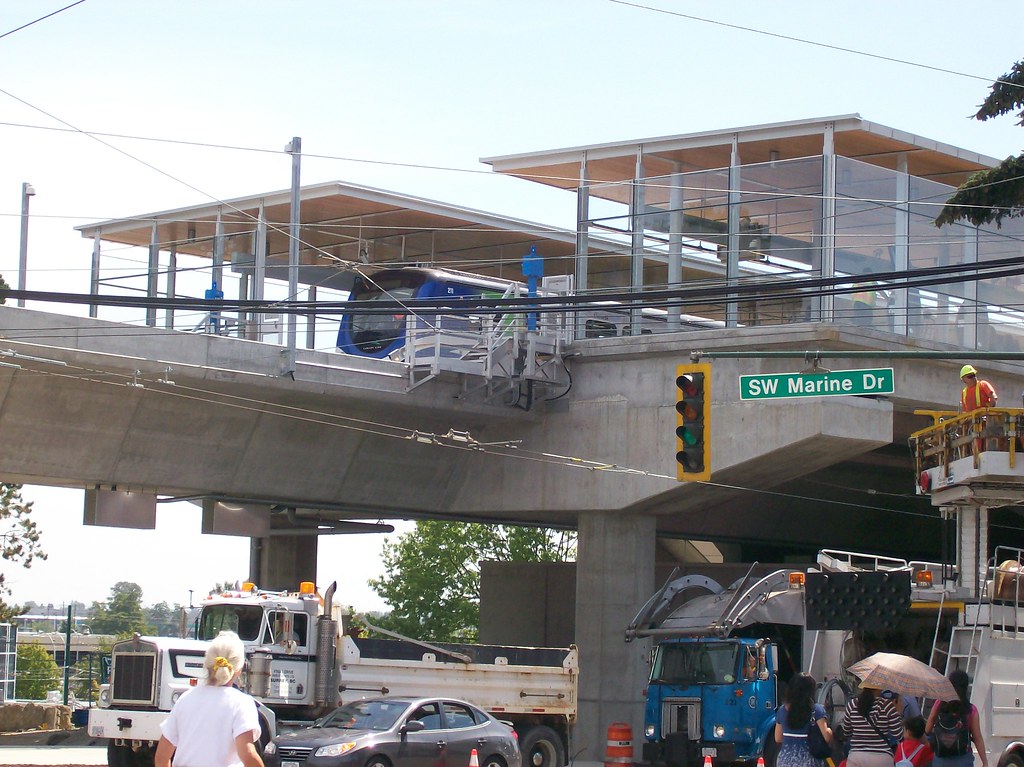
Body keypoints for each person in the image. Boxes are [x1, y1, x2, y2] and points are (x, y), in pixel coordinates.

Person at [155, 631, 265, 767]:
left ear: (207, 664)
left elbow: (161, 757)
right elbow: (247, 754)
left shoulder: (185, 699)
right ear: (239, 669)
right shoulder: (241, 702)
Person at [925, 670, 987, 767]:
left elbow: (929, 726)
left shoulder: (940, 704)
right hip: (963, 759)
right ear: (966, 687)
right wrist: (985, 762)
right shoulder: (971, 710)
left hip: (941, 758)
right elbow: (977, 737)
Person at [775, 672, 832, 767]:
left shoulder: (782, 710)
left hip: (785, 761)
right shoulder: (816, 710)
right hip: (809, 761)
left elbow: (778, 738)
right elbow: (827, 737)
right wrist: (830, 730)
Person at [840, 683, 903, 767]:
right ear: (879, 687)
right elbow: (899, 734)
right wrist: (898, 713)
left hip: (857, 758)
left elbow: (847, 732)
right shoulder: (887, 705)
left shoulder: (852, 704)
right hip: (882, 759)